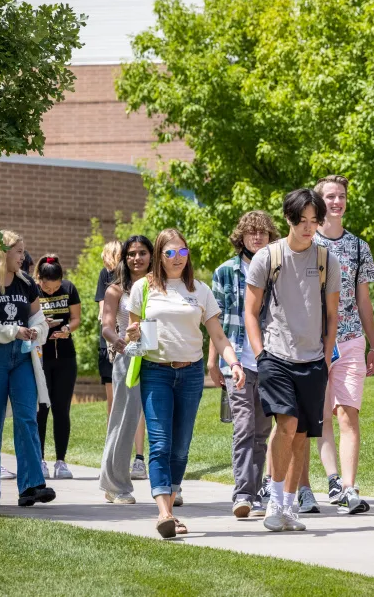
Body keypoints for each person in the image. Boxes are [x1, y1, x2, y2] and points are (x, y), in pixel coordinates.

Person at [123, 228, 243, 539]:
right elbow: (132, 335)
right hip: (156, 371)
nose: (177, 259)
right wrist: (131, 335)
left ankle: (172, 505)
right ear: (160, 256)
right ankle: (164, 513)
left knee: (180, 448)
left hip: (190, 375)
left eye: (183, 252)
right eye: (171, 253)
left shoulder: (199, 290)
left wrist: (234, 363)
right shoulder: (142, 288)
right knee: (161, 443)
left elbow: (217, 335)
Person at [245, 188, 340, 533]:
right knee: (285, 426)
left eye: (314, 222)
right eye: (302, 221)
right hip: (276, 356)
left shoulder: (326, 259)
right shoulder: (267, 258)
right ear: (288, 219)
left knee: (300, 434)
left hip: (313, 359)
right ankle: (273, 500)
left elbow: (332, 314)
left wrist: (326, 356)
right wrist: (261, 356)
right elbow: (251, 312)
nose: (308, 228)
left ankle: (289, 506)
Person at [296, 175, 374, 515]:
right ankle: (303, 489)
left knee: (348, 415)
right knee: (311, 418)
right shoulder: (304, 243)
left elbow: (364, 300)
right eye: (329, 196)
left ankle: (348, 487)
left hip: (350, 340)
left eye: (341, 196)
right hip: (311, 344)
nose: (336, 201)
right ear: (318, 202)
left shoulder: (359, 246)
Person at [0, 230, 55, 508]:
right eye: (18, 251)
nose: (24, 257)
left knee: (27, 418)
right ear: (2, 253)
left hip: (23, 358)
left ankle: (30, 486)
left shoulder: (27, 284)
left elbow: (40, 321)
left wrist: (34, 332)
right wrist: (11, 331)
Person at [208, 211, 279, 518]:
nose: (257, 237)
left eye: (262, 232)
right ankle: (242, 493)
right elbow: (216, 321)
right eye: (251, 232)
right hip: (235, 358)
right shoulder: (225, 272)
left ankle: (256, 491)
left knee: (262, 429)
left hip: (269, 358)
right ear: (241, 237)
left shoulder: (277, 269)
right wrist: (213, 359)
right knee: (244, 425)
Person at [98, 235, 154, 504]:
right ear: (124, 258)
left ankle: (167, 486)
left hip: (159, 357)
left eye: (142, 252)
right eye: (131, 253)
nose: (137, 258)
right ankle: (116, 485)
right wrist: (116, 339)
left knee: (162, 422)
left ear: (151, 256)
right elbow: (107, 325)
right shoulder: (116, 290)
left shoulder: (160, 287)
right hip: (128, 356)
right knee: (124, 420)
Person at [34, 255, 82, 480]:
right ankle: (40, 459)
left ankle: (61, 461)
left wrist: (67, 329)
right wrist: (43, 325)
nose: (51, 291)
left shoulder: (69, 288)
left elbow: (76, 319)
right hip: (40, 355)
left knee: (61, 409)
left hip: (65, 356)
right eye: (47, 287)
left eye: (55, 288)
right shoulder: (32, 290)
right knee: (41, 409)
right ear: (39, 279)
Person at [94, 240, 121, 405]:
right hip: (110, 336)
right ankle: (113, 430)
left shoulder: (129, 275)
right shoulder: (105, 274)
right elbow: (102, 308)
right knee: (111, 387)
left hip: (123, 332)